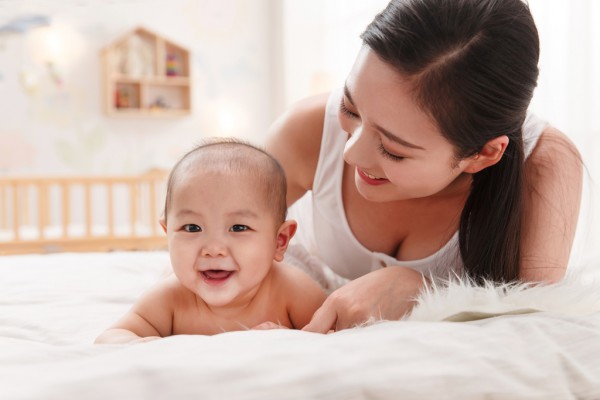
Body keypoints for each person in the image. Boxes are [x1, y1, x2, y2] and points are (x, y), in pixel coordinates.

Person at [266, 0, 583, 333]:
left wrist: (419, 290)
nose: (351, 154)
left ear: (483, 154)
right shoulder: (307, 129)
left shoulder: (543, 166)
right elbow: (211, 229)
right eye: (350, 108)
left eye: (392, 150)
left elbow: (531, 331)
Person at [95, 139, 326, 344]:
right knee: (170, 274)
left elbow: (335, 332)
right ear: (168, 234)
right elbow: (113, 336)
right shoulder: (170, 297)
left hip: (295, 261)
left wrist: (290, 336)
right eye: (192, 228)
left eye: (238, 228)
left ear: (279, 241)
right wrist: (141, 345)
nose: (213, 249)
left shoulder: (291, 289)